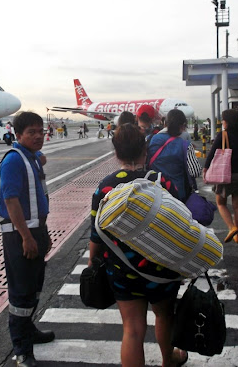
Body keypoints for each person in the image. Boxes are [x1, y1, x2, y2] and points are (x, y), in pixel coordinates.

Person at [89, 123, 188, 367]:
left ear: (116, 153)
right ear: (145, 151)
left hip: (122, 269)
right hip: (162, 267)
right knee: (165, 315)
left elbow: (96, 234)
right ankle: (169, 359)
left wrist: (93, 262)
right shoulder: (162, 182)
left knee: (132, 328)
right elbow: (180, 222)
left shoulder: (105, 187)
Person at [0, 112, 54, 367]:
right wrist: (26, 237)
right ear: (18, 135)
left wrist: (44, 234)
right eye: (31, 132)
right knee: (21, 293)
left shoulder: (32, 159)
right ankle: (21, 350)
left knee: (34, 286)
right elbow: (10, 201)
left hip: (36, 231)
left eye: (40, 131)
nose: (38, 136)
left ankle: (29, 331)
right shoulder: (13, 161)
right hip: (20, 235)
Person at [203, 109, 238, 244]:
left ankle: (231, 228)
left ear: (227, 122)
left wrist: (205, 169)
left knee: (220, 203)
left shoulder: (223, 135)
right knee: (237, 206)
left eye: (223, 120)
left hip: (225, 174)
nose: (222, 122)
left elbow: (212, 153)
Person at [146, 109, 202, 202]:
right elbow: (195, 172)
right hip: (177, 195)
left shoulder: (150, 139)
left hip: (154, 193)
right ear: (183, 126)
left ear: (165, 123)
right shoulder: (185, 145)